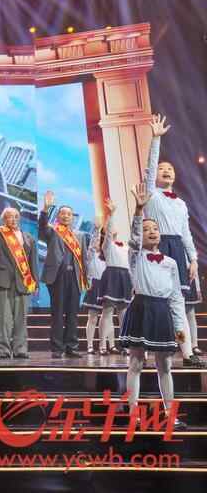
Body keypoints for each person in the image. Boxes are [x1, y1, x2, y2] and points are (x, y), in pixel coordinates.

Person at [120, 182, 187, 429]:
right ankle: (133, 414)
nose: (151, 231)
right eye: (147, 228)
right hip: (141, 309)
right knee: (136, 362)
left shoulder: (170, 262)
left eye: (155, 228)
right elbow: (134, 238)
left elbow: (176, 298)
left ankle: (170, 414)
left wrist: (181, 333)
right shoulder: (135, 256)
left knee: (165, 365)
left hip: (162, 313)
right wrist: (139, 211)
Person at [142, 114, 204, 367]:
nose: (166, 171)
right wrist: (156, 139)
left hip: (177, 250)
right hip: (156, 248)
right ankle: (144, 350)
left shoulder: (181, 203)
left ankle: (186, 351)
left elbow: (186, 233)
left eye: (170, 169)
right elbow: (150, 168)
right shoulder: (152, 195)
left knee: (179, 307)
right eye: (162, 168)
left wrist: (193, 259)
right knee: (154, 304)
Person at [0, 192, 38, 360]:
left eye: (16, 217)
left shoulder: (29, 238)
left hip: (24, 282)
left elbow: (33, 263)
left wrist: (35, 283)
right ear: (4, 220)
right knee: (4, 319)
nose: (13, 219)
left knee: (21, 319)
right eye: (9, 217)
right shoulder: (0, 233)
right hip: (3, 281)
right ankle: (4, 350)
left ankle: (20, 349)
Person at [38, 190, 89, 359]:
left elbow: (84, 259)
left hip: (74, 277)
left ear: (72, 218)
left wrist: (86, 279)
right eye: (63, 213)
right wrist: (45, 209)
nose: (66, 216)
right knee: (58, 313)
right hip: (57, 276)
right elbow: (42, 228)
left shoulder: (80, 236)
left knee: (73, 314)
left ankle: (71, 347)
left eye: (69, 214)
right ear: (58, 216)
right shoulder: (52, 231)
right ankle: (57, 348)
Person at [96, 199, 133, 356]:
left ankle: (125, 345)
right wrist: (111, 215)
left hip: (125, 277)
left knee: (124, 314)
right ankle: (102, 345)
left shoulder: (126, 246)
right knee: (107, 312)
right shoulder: (107, 245)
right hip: (112, 276)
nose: (113, 229)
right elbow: (109, 232)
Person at [83, 221, 106, 355]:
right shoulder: (90, 256)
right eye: (96, 240)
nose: (98, 243)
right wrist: (96, 230)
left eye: (99, 241)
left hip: (106, 286)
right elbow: (92, 246)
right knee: (92, 317)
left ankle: (104, 346)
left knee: (106, 318)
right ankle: (90, 345)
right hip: (94, 285)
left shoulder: (107, 256)